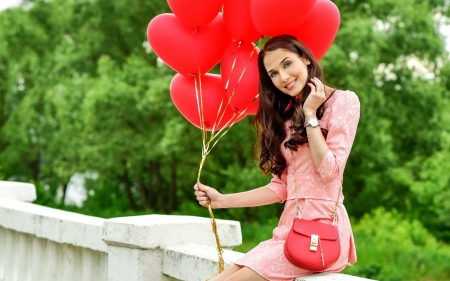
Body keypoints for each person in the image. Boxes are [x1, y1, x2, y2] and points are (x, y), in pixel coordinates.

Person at [194, 34, 359, 281]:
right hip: (288, 231)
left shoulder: (343, 101)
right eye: (273, 73)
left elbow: (330, 171)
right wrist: (221, 201)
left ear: (304, 58)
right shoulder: (286, 116)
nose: (283, 77)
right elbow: (281, 188)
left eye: (287, 64)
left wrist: (311, 114)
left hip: (321, 233)